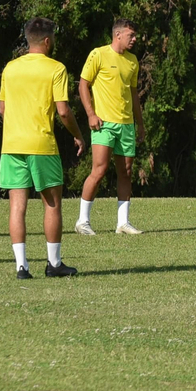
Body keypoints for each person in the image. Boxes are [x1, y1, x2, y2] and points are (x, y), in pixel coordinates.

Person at [0, 17, 84, 279]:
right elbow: (64, 111)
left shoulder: (10, 68)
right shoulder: (56, 68)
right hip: (41, 145)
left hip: (11, 145)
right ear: (47, 41)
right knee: (52, 203)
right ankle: (54, 264)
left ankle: (21, 267)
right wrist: (79, 135)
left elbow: (2, 109)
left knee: (17, 206)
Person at [77, 19, 147, 236]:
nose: (134, 39)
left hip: (126, 125)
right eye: (131, 35)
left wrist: (140, 124)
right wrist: (90, 114)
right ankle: (82, 221)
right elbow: (83, 84)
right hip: (104, 124)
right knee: (99, 170)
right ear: (118, 35)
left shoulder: (133, 61)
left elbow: (134, 94)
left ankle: (123, 223)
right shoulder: (98, 54)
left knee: (126, 172)